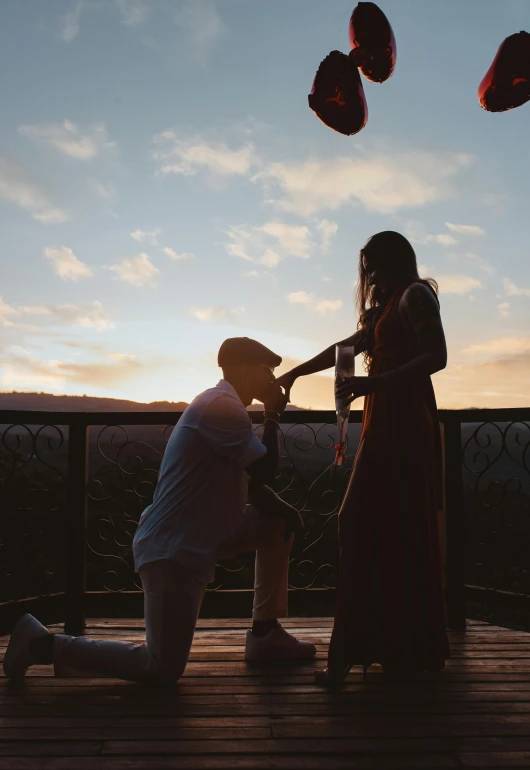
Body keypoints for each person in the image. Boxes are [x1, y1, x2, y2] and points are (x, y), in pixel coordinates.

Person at [4, 337, 315, 685]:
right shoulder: (222, 407)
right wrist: (272, 415)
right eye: (266, 369)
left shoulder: (226, 407)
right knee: (161, 667)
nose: (273, 377)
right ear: (244, 370)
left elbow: (253, 485)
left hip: (205, 531)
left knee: (275, 523)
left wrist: (285, 511)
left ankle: (265, 636)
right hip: (174, 548)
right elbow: (265, 470)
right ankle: (42, 645)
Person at [277, 231, 451, 687]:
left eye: (372, 264)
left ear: (392, 261)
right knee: (377, 525)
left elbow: (438, 355)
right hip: (383, 418)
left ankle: (371, 650)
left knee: (366, 521)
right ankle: (384, 648)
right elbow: (346, 349)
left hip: (406, 419)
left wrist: (375, 384)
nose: (368, 274)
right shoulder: (386, 307)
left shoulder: (415, 296)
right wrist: (295, 372)